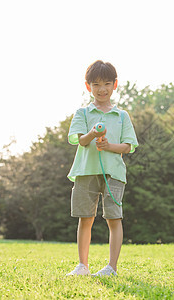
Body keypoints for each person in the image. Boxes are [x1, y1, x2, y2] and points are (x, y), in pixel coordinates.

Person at [66, 60, 138, 276]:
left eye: (107, 83)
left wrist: (108, 145)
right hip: (85, 170)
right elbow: (81, 141)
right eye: (96, 84)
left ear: (115, 85)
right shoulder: (83, 113)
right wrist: (93, 134)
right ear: (88, 87)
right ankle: (82, 266)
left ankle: (111, 267)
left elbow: (128, 146)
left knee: (113, 218)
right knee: (85, 218)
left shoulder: (122, 115)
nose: (102, 89)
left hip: (113, 173)